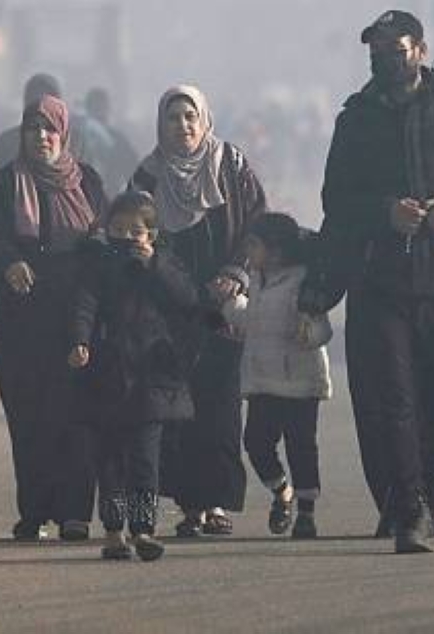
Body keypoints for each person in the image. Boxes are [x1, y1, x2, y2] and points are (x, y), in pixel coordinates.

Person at [299, 10, 434, 553]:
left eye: (395, 50)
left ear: (420, 50)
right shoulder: (354, 122)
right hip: (381, 282)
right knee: (392, 400)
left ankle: (433, 490)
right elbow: (336, 203)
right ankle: (411, 509)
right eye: (375, 51)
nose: (385, 59)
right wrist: (384, 213)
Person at [129, 85, 266, 537]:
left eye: (190, 116)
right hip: (171, 310)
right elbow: (138, 236)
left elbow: (256, 224)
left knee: (221, 406)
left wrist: (238, 272)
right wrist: (173, 283)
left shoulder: (231, 164)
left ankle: (216, 503)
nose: (183, 126)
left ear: (204, 120)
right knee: (177, 409)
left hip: (223, 307)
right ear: (161, 124)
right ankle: (191, 505)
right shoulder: (147, 177)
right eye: (173, 117)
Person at [0, 93, 106, 541]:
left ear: (64, 133)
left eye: (50, 128)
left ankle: (75, 512)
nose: (42, 137)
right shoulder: (2, 185)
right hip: (20, 321)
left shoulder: (87, 182)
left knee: (75, 416)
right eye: (33, 128)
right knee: (28, 417)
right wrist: (8, 261)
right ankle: (33, 510)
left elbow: (103, 238)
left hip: (76, 320)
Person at [68, 190, 198, 561]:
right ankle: (113, 531)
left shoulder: (165, 265)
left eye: (136, 230)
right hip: (105, 376)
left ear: (152, 235)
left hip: (152, 378)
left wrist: (155, 266)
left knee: (145, 460)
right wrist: (80, 342)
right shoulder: (98, 265)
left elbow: (188, 300)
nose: (126, 236)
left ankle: (143, 530)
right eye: (118, 228)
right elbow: (84, 306)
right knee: (109, 461)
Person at [222, 213, 331, 540]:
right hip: (262, 380)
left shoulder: (304, 281)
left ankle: (306, 511)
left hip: (299, 382)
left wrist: (308, 332)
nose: (248, 252)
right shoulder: (257, 279)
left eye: (254, 245)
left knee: (301, 447)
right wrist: (229, 303)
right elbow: (250, 321)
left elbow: (322, 329)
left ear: (277, 251)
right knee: (256, 442)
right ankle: (282, 491)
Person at [81, 87, 139, 197]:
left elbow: (132, 169)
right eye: (96, 107)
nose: (100, 111)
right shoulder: (78, 136)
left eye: (101, 107)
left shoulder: (117, 138)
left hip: (109, 193)